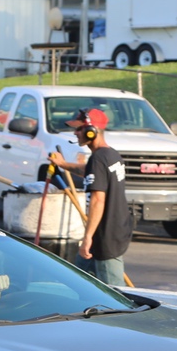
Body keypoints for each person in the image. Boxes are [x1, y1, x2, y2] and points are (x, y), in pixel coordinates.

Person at [48, 108, 132, 287]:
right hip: (111, 232)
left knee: (115, 294)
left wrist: (87, 238)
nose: (75, 133)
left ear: (91, 131)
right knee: (77, 283)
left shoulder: (98, 159)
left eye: (79, 129)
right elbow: (89, 172)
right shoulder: (111, 155)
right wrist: (63, 164)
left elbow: (97, 200)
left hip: (105, 238)